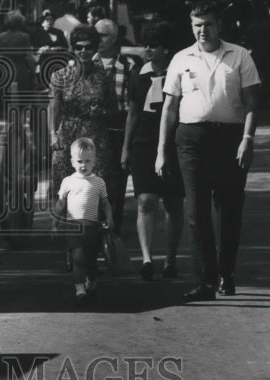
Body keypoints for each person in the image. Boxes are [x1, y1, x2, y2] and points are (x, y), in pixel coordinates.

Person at [156, 1, 261, 301]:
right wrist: (162, 150)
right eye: (197, 25)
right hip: (191, 139)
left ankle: (226, 274)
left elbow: (253, 103)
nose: (203, 30)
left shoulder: (239, 55)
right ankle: (205, 280)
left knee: (229, 210)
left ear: (219, 25)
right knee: (196, 210)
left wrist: (248, 139)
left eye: (208, 24)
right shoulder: (180, 59)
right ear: (191, 26)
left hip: (230, 138)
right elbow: (169, 107)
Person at [121, 21, 184, 280]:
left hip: (173, 142)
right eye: (146, 44)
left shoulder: (179, 73)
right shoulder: (138, 74)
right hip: (144, 143)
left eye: (154, 45)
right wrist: (126, 147)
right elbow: (133, 113)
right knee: (146, 201)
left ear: (166, 49)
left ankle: (170, 258)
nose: (148, 49)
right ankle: (147, 259)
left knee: (172, 202)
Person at [48, 25, 111, 197]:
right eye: (79, 47)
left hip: (95, 135)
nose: (84, 51)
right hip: (67, 133)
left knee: (92, 190)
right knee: (62, 189)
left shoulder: (103, 76)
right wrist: (53, 133)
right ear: (72, 48)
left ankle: (91, 223)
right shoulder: (60, 76)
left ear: (95, 48)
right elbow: (54, 107)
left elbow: (113, 108)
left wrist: (102, 112)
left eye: (88, 47)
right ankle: (60, 223)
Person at [53, 136, 113, 305]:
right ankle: (80, 288)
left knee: (91, 260)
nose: (83, 165)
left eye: (88, 161)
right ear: (72, 162)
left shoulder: (99, 183)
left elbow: (105, 203)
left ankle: (91, 281)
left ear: (94, 162)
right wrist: (56, 220)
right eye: (79, 161)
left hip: (92, 227)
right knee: (78, 258)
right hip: (73, 227)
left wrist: (110, 218)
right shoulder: (68, 182)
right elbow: (61, 203)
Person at [92, 18, 135, 236]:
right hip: (93, 128)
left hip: (118, 128)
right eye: (96, 35)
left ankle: (113, 231)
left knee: (117, 185)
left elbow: (133, 106)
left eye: (104, 35)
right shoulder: (86, 63)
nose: (99, 40)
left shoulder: (128, 66)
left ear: (115, 37)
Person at [0, 9, 37, 93]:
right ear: (20, 21)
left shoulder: (1, 36)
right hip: (21, 71)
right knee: (21, 100)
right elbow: (28, 58)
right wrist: (34, 75)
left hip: (5, 71)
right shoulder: (25, 36)